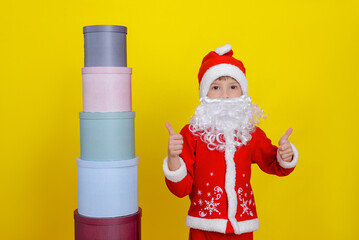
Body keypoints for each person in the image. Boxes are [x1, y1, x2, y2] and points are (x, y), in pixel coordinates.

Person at [163, 44, 299, 240]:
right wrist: (173, 158)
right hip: (203, 227)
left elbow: (277, 165)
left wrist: (286, 155)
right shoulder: (192, 133)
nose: (225, 95)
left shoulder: (250, 133)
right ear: (204, 94)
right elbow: (180, 189)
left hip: (242, 227)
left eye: (233, 87)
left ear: (242, 92)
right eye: (216, 87)